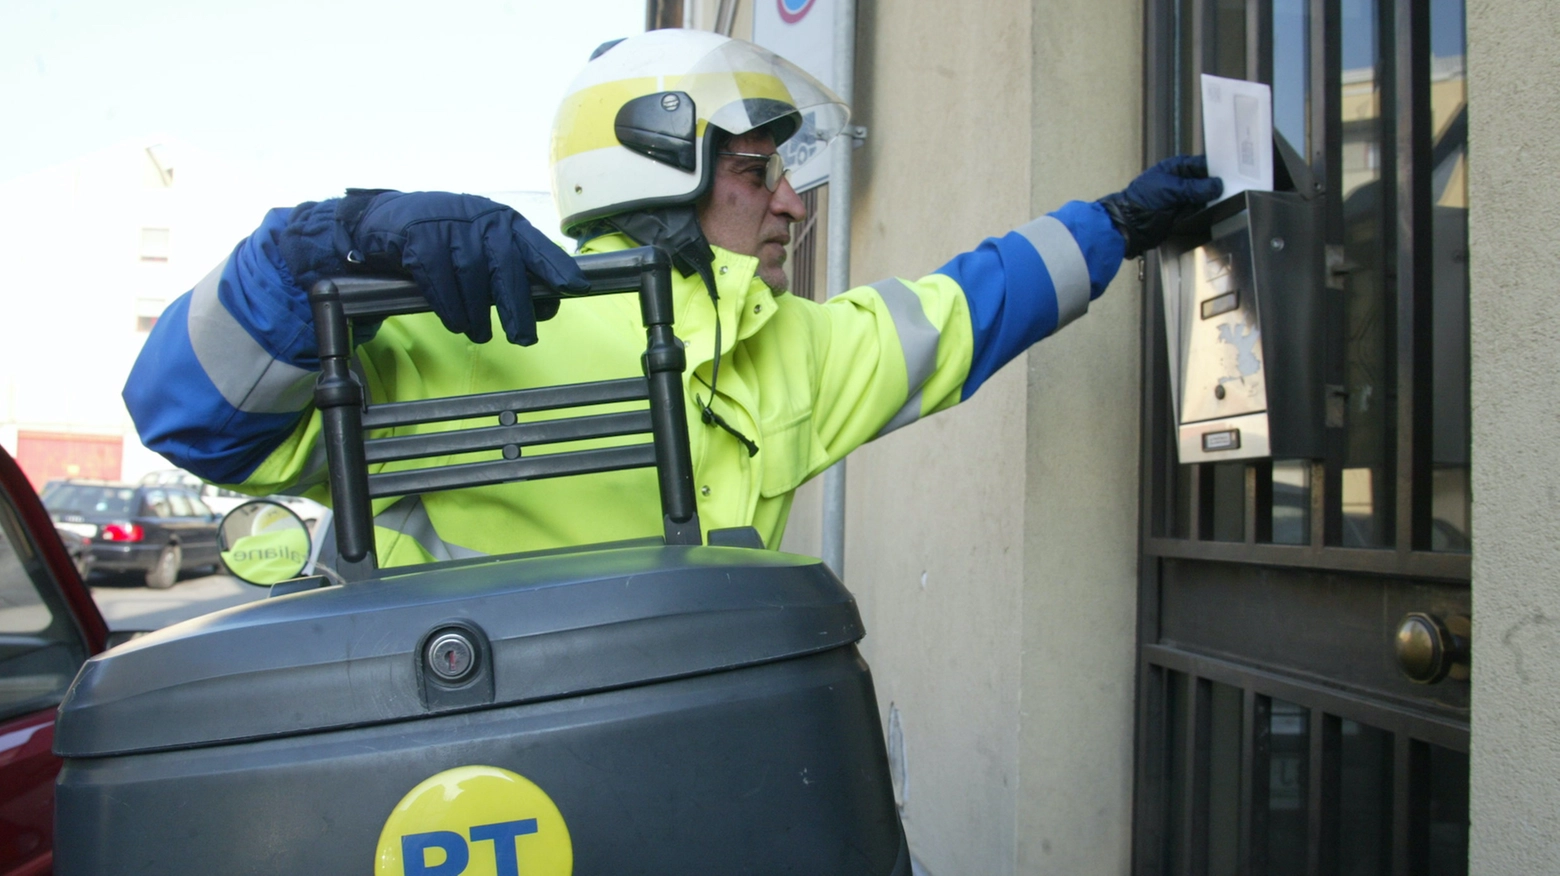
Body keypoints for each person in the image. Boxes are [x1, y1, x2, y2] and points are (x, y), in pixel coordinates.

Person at [124, 29, 1220, 568]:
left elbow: (965, 306)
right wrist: (316, 246)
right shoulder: (443, 330)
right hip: (461, 793)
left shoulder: (789, 347)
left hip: (686, 773)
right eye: (757, 174)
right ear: (659, 171)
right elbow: (186, 413)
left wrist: (1113, 226)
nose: (793, 206)